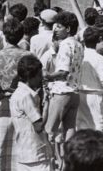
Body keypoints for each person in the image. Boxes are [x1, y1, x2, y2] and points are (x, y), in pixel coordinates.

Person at [0, 17, 32, 171]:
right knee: (22, 143)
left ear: (5, 35)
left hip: (2, 103)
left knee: (0, 144)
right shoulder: (29, 56)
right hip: (24, 103)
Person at [43, 11, 84, 164]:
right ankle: (68, 162)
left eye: (59, 27)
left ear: (68, 28)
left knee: (49, 130)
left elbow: (63, 72)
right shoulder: (79, 44)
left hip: (61, 91)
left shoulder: (66, 44)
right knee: (69, 129)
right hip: (74, 92)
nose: (55, 29)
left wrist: (47, 76)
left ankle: (54, 161)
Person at [10, 55, 53, 171]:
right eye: (39, 76)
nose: (41, 79)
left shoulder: (18, 94)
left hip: (24, 151)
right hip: (35, 153)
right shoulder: (26, 96)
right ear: (30, 77)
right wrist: (47, 104)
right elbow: (39, 126)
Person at [77, 27, 103, 133]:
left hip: (79, 94)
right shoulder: (99, 59)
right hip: (95, 95)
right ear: (98, 40)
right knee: (98, 126)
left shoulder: (78, 56)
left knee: (81, 126)